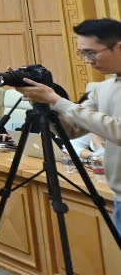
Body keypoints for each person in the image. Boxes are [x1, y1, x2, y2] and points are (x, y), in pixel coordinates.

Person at [15, 18, 121, 232]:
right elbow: (71, 130)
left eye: (91, 53)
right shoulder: (102, 88)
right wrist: (42, 102)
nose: (87, 61)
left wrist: (56, 100)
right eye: (83, 53)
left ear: (118, 47)